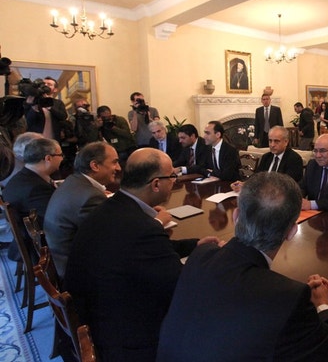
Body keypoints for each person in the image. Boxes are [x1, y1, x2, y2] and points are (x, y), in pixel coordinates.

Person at [157, 172, 328, 362]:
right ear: (291, 231)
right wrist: (323, 306)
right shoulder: (289, 297)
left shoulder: (201, 255)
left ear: (236, 216)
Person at [64, 148, 218, 362]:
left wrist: (194, 245)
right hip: (124, 339)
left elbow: (147, 250)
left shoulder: (113, 207)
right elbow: (181, 285)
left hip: (96, 313)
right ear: (156, 184)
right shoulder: (141, 228)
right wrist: (208, 256)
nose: (174, 181)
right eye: (171, 177)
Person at [44, 142, 121, 278]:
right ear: (95, 166)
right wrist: (155, 221)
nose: (119, 168)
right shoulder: (90, 197)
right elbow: (112, 237)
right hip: (78, 271)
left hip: (62, 257)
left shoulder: (74, 181)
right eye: (114, 162)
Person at [2, 138, 63, 260]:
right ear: (48, 158)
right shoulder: (36, 188)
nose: (62, 158)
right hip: (42, 250)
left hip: (33, 242)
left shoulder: (21, 178)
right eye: (60, 155)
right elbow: (57, 221)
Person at [231, 126, 304, 192]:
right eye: (270, 141)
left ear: (286, 142)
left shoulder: (294, 159)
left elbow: (286, 186)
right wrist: (244, 184)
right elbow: (257, 176)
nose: (272, 145)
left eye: (276, 141)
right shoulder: (266, 157)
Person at [23, 76, 68, 143]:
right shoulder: (33, 100)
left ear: (55, 89)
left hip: (53, 140)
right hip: (35, 140)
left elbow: (63, 116)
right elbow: (28, 120)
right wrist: (33, 106)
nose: (45, 85)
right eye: (44, 84)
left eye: (49, 84)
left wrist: (50, 107)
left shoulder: (58, 103)